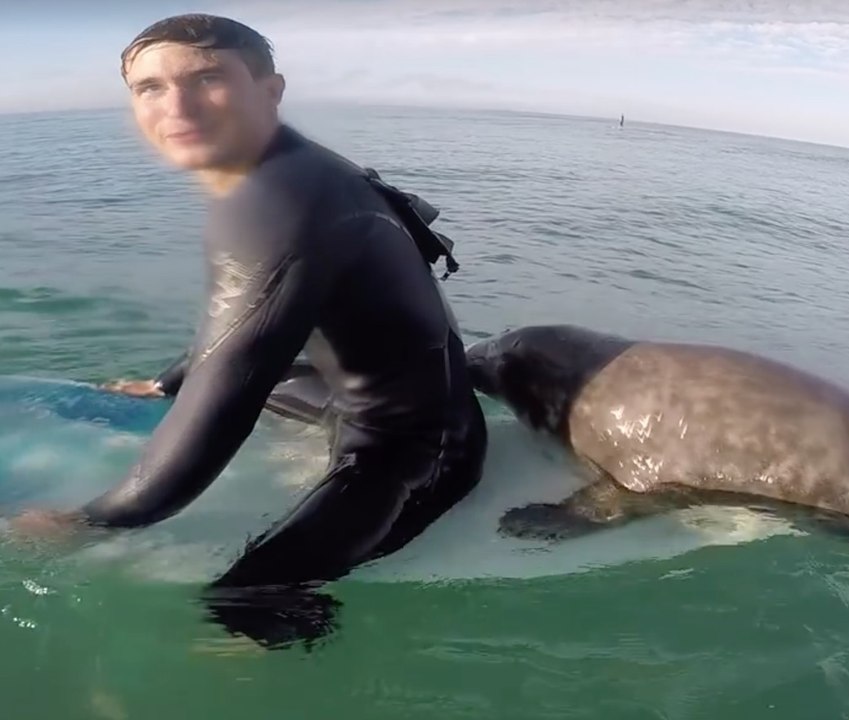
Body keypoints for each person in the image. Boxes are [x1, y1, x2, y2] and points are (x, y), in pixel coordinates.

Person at [6, 13, 489, 649]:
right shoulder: (294, 168)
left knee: (246, 602)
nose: (177, 106)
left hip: (418, 447)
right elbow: (242, 331)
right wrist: (167, 384)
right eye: (150, 87)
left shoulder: (276, 202)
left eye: (207, 78)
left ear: (270, 90)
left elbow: (227, 398)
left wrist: (96, 519)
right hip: (347, 392)